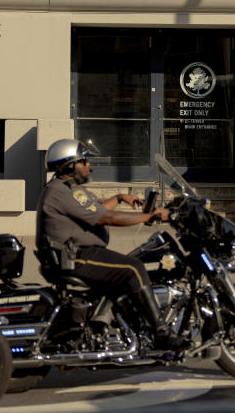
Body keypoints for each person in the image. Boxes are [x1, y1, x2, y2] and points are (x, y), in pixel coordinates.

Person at [36, 139, 187, 351]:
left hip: (74, 255)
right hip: (75, 257)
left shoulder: (62, 188)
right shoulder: (64, 191)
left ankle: (117, 322)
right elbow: (106, 218)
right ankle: (161, 332)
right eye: (84, 161)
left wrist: (119, 197)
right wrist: (150, 216)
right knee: (133, 268)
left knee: (128, 265)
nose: (90, 166)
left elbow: (94, 210)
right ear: (70, 165)